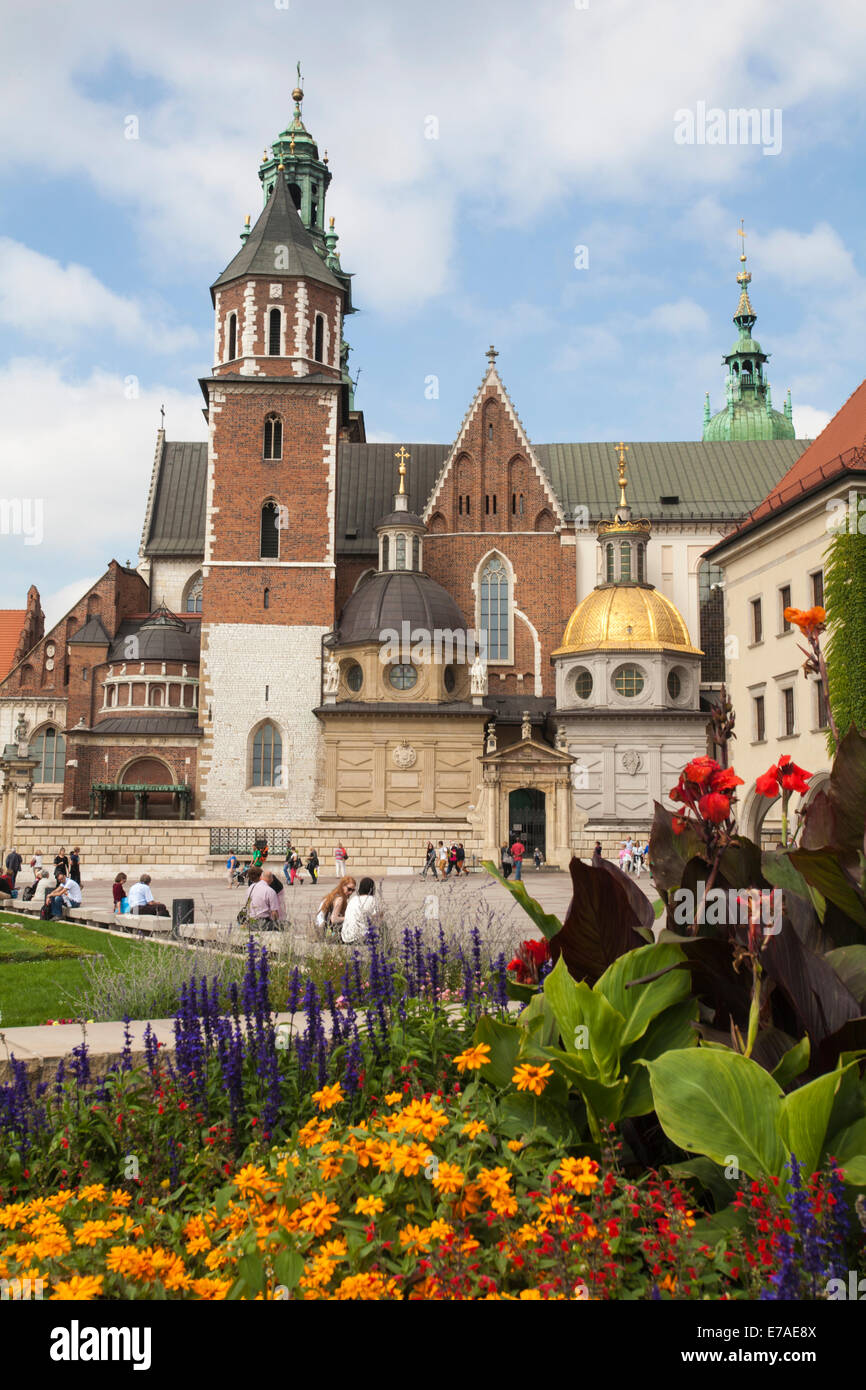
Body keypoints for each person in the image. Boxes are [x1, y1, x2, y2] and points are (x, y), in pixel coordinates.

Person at [341, 876, 379, 944]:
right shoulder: (372, 899)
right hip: (359, 937)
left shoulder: (353, 899)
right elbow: (376, 919)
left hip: (345, 937)